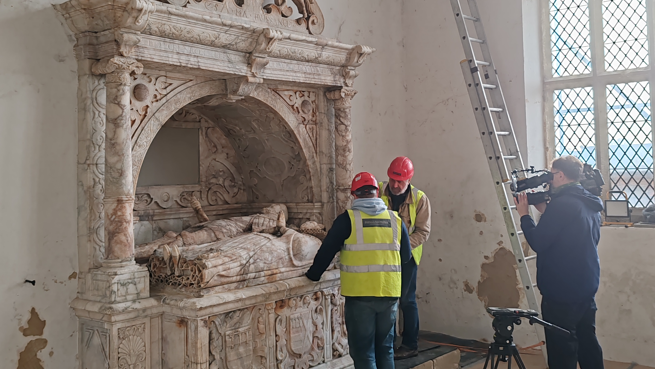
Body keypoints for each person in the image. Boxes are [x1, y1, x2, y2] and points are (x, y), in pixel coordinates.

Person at [305, 172, 412, 369]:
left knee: (364, 353)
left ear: (354, 195)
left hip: (360, 297)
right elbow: (406, 259)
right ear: (377, 192)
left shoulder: (348, 220)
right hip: (389, 295)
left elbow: (326, 252)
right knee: (386, 349)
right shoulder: (395, 220)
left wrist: (312, 275)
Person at [514, 155, 605, 369]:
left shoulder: (562, 204)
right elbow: (573, 230)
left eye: (552, 175)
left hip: (562, 289)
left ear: (561, 175)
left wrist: (524, 215)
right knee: (587, 341)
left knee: (561, 347)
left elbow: (538, 242)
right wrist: (547, 212)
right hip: (586, 283)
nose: (549, 179)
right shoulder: (588, 201)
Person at [378, 157, 431, 359]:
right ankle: (387, 345)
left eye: (400, 181)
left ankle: (410, 345)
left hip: (407, 258)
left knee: (407, 301)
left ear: (409, 179)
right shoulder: (378, 191)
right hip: (382, 257)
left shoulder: (420, 199)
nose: (395, 185)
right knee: (385, 300)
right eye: (392, 179)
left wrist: (402, 248)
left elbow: (423, 232)